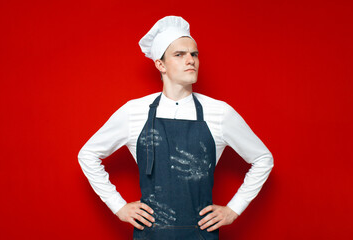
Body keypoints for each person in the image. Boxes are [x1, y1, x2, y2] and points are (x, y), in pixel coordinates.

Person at [78, 16, 274, 240]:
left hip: (201, 234)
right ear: (160, 64)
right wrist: (118, 206)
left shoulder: (220, 113)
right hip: (150, 234)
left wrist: (234, 209)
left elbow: (263, 159)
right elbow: (88, 154)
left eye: (194, 54)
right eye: (179, 54)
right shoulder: (134, 112)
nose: (190, 60)